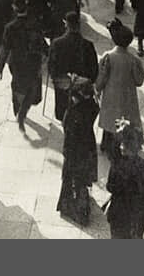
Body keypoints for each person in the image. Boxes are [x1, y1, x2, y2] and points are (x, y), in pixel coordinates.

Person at [95, 19, 144, 160]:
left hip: (111, 95)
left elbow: (101, 78)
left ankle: (107, 145)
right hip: (128, 96)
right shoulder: (134, 60)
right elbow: (139, 81)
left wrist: (97, 89)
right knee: (126, 120)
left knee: (110, 121)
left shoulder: (108, 57)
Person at [0, 0, 47, 129]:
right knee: (32, 82)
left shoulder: (10, 27)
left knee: (17, 84)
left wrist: (0, 66)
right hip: (33, 61)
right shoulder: (35, 23)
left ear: (14, 8)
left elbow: (6, 48)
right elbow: (42, 42)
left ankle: (18, 108)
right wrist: (48, 55)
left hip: (17, 62)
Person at [56, 76, 99, 226]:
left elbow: (67, 127)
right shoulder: (92, 106)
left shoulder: (74, 112)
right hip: (87, 146)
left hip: (75, 149)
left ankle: (78, 211)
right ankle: (82, 202)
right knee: (82, 178)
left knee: (74, 179)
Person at [105, 123, 144, 238]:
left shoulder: (117, 165)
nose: (121, 146)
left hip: (119, 212)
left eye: (124, 144)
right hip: (139, 211)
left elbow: (110, 187)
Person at [49, 11, 98, 121]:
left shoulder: (57, 44)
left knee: (64, 115)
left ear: (65, 24)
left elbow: (52, 67)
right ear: (79, 24)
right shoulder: (88, 45)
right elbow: (94, 71)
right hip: (82, 91)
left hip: (63, 88)